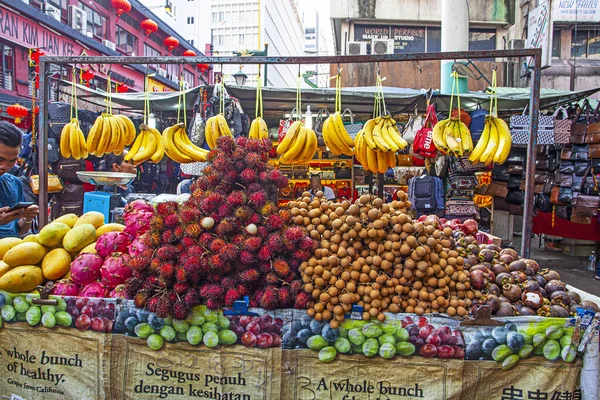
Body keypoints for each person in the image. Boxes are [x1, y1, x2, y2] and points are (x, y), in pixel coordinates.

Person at [0, 121, 39, 238]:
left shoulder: (14, 183)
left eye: (12, 161)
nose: (5, 167)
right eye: (0, 159)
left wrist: (27, 218)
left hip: (12, 252)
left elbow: (19, 230)